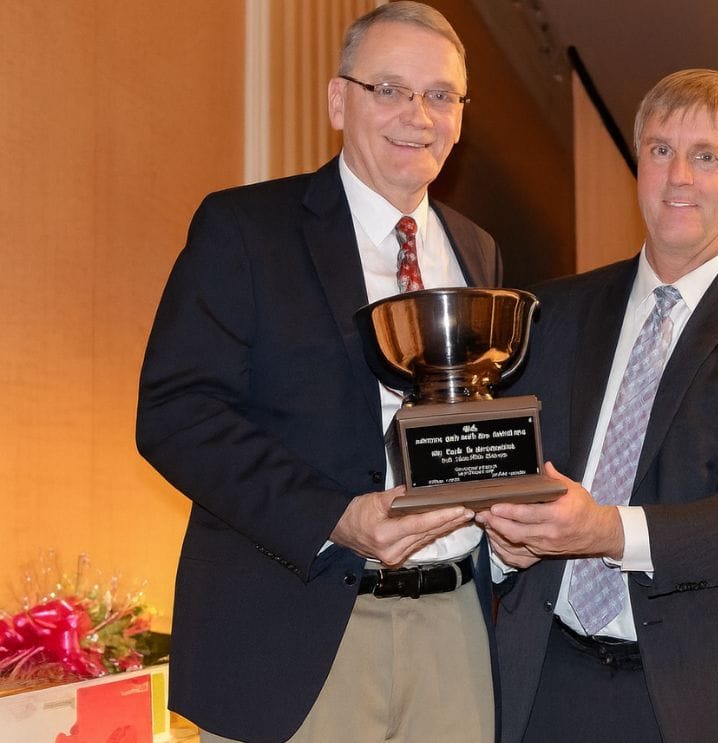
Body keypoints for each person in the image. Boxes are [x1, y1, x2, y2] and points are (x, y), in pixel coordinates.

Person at [136, 4, 500, 742]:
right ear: (339, 100)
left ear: (461, 116)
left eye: (440, 95)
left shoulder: (478, 251)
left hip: (455, 632)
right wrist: (337, 515)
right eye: (389, 89)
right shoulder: (245, 229)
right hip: (294, 630)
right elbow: (176, 414)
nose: (417, 115)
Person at [476, 69, 718, 742]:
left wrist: (605, 530)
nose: (678, 175)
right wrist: (503, 543)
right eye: (660, 150)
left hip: (713, 696)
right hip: (544, 686)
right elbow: (509, 470)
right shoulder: (550, 313)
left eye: (705, 156)